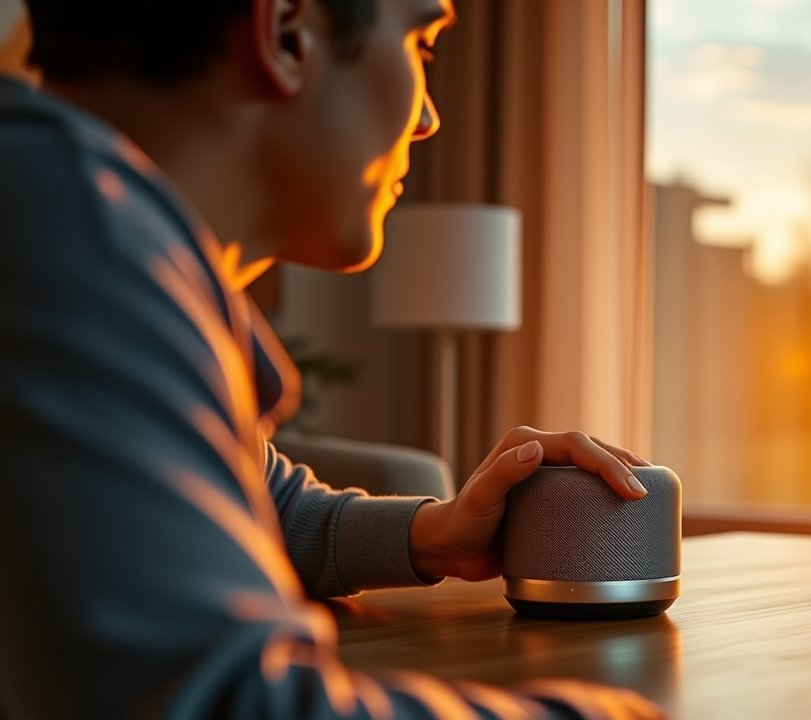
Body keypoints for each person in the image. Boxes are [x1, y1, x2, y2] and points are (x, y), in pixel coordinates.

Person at [0, 1, 663, 717]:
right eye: (421, 44)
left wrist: (437, 534)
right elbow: (227, 705)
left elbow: (257, 502)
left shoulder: (78, 218)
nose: (428, 118)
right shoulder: (65, 239)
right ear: (286, 34)